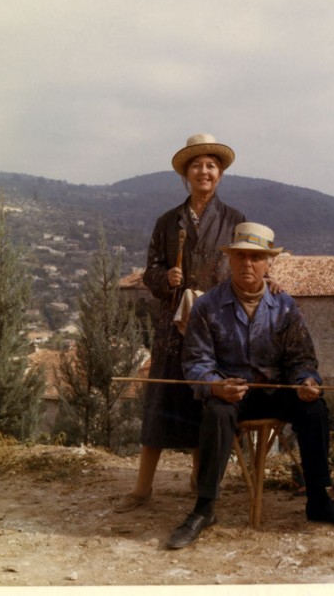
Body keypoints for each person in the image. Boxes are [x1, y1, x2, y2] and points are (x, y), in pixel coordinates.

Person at [166, 222, 334, 549]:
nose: (248, 264)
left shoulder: (284, 306)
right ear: (230, 260)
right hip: (232, 395)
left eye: (256, 258)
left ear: (268, 263)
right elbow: (196, 363)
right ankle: (204, 509)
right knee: (216, 413)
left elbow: (301, 358)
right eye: (241, 256)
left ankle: (318, 499)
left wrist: (306, 382)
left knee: (314, 408)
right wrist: (216, 386)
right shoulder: (207, 307)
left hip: (275, 393)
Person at [116, 133, 245, 513]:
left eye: (211, 165)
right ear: (185, 174)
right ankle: (142, 488)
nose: (204, 171)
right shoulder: (167, 222)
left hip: (216, 327)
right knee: (161, 400)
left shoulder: (235, 220)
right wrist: (164, 279)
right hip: (172, 328)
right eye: (197, 165)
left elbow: (242, 267)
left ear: (219, 174)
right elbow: (149, 270)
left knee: (204, 401)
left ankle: (198, 478)